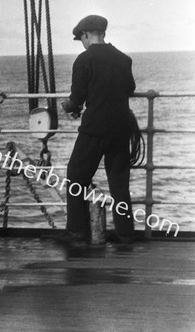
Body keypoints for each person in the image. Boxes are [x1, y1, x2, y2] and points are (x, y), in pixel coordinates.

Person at [61, 14, 136, 245]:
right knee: (119, 183)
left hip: (95, 129)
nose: (82, 43)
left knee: (76, 177)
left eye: (81, 39)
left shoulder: (84, 60)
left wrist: (68, 106)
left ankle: (77, 234)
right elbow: (130, 88)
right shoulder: (124, 59)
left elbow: (77, 97)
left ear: (85, 35)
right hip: (121, 128)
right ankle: (125, 234)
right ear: (102, 33)